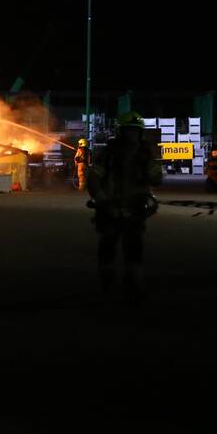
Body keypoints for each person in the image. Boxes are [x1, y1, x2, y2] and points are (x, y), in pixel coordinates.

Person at [87, 111, 162, 301]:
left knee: (134, 252)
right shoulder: (109, 154)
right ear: (121, 132)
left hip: (135, 212)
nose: (132, 135)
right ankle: (107, 289)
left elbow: (156, 180)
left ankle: (134, 290)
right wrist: (103, 201)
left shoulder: (144, 154)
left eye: (135, 132)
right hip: (110, 210)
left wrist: (151, 163)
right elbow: (94, 180)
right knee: (107, 252)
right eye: (128, 131)